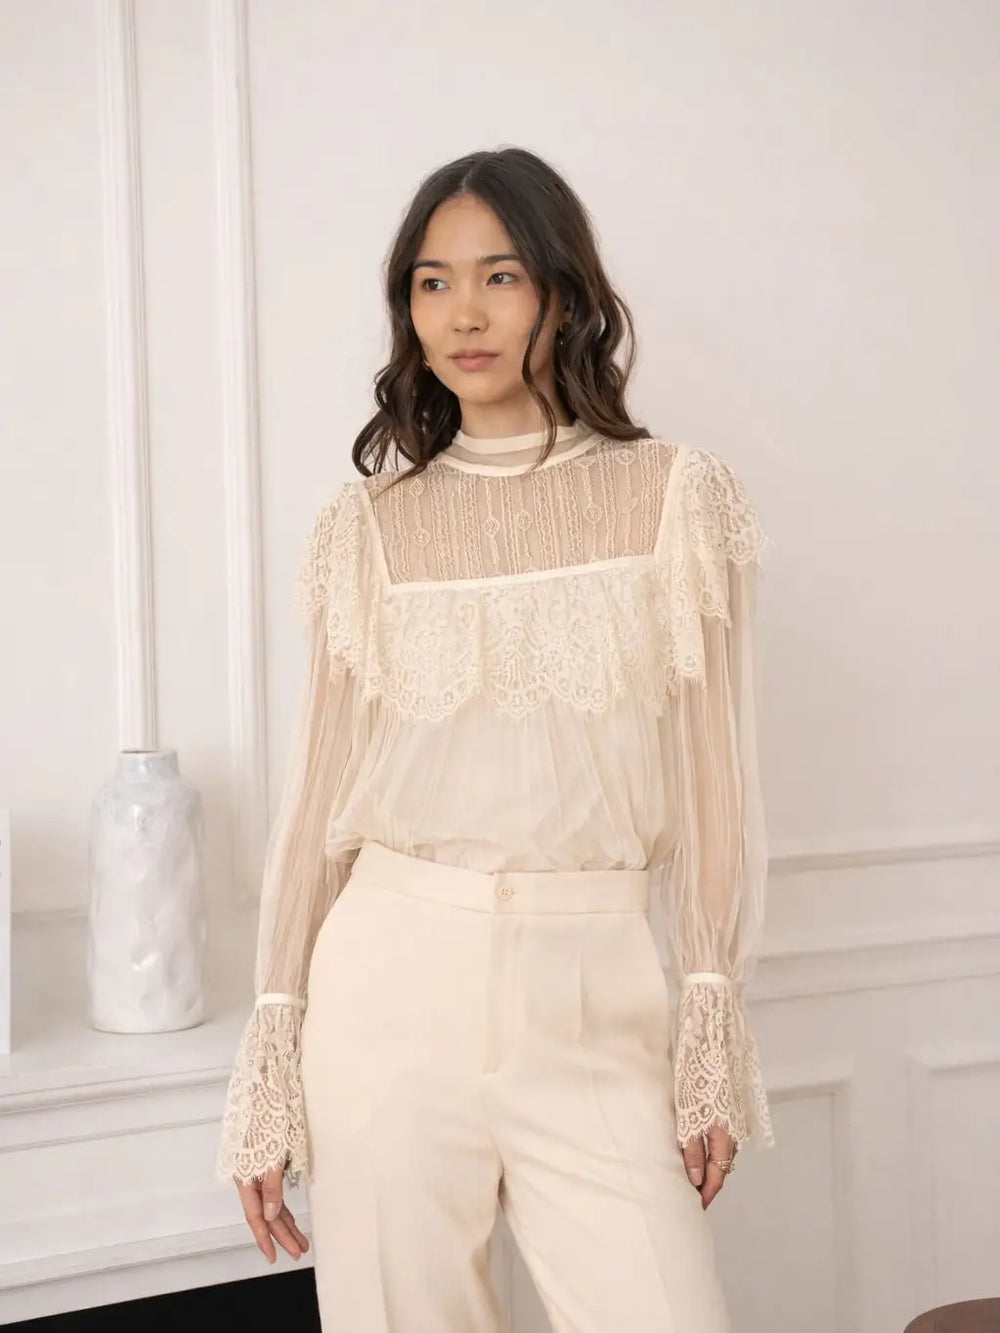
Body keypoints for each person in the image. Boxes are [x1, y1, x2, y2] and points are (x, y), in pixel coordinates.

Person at [215, 145, 775, 1332]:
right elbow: (317, 803)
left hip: (595, 989)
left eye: (500, 275)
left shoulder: (676, 497)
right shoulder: (365, 529)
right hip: (385, 985)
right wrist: (270, 1050)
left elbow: (716, 779)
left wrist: (712, 1016)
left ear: (563, 293)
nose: (461, 312)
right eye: (430, 282)